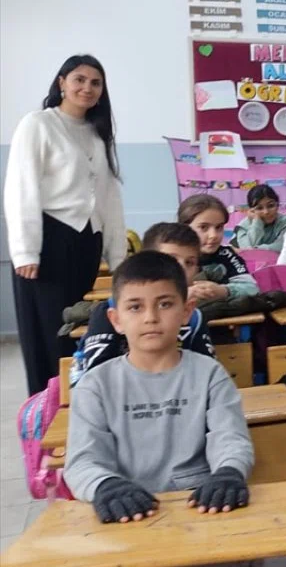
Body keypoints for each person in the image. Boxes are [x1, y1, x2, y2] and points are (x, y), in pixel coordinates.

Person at [64, 251, 254, 524]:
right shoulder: (95, 385)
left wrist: (229, 472)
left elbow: (230, 438)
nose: (150, 317)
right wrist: (105, 485)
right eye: (135, 307)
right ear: (116, 319)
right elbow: (83, 460)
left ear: (186, 311)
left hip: (203, 508)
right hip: (127, 514)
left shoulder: (210, 374)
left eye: (164, 304)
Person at [4, 55, 127, 395]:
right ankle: (47, 407)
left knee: (77, 332)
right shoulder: (38, 124)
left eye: (96, 83)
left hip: (86, 244)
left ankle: (79, 404)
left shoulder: (98, 133)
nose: (87, 88)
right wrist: (25, 251)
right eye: (79, 79)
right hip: (47, 243)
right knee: (48, 335)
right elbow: (21, 188)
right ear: (62, 83)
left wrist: (119, 259)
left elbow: (109, 199)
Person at [76, 223, 215, 378]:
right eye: (171, 259)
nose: (181, 269)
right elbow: (96, 375)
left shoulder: (194, 317)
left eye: (190, 263)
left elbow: (206, 372)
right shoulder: (109, 312)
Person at [178, 195, 260, 300]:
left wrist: (224, 291)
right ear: (184, 228)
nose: (214, 235)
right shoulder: (172, 257)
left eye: (219, 227)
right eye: (203, 227)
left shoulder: (226, 254)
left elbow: (252, 288)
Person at [231, 184, 286, 252]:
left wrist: (256, 250)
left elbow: (283, 246)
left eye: (271, 206)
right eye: (259, 208)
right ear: (251, 210)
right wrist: (257, 221)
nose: (266, 212)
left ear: (277, 206)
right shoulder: (243, 227)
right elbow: (247, 252)